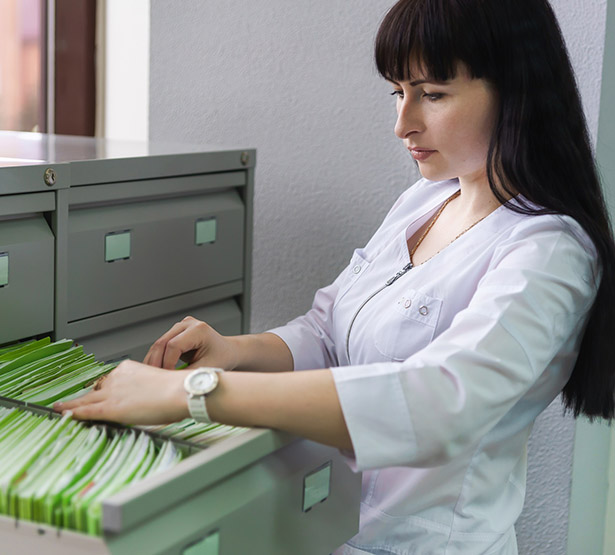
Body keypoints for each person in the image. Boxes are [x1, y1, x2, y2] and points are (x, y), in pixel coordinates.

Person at [55, 0, 615, 553]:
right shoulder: (427, 198)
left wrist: (191, 393)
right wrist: (236, 351)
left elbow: (441, 402)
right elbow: (328, 331)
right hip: (330, 524)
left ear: (518, 92)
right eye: (399, 92)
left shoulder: (550, 250)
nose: (403, 123)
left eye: (433, 94)